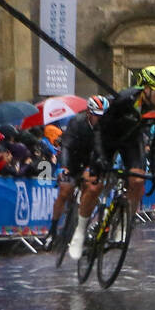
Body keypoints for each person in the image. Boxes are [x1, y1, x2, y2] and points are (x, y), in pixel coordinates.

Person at [69, 66, 155, 260]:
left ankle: (124, 223)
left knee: (137, 182)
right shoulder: (126, 99)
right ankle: (80, 231)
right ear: (146, 89)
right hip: (107, 139)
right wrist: (100, 158)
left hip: (132, 142)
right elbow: (100, 130)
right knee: (94, 186)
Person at [49, 96, 107, 244]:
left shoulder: (104, 127)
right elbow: (66, 146)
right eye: (97, 116)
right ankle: (53, 231)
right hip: (73, 159)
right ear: (89, 113)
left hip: (91, 160)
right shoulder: (77, 122)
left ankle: (83, 226)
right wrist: (64, 168)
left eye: (103, 117)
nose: (100, 120)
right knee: (64, 191)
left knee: (92, 189)